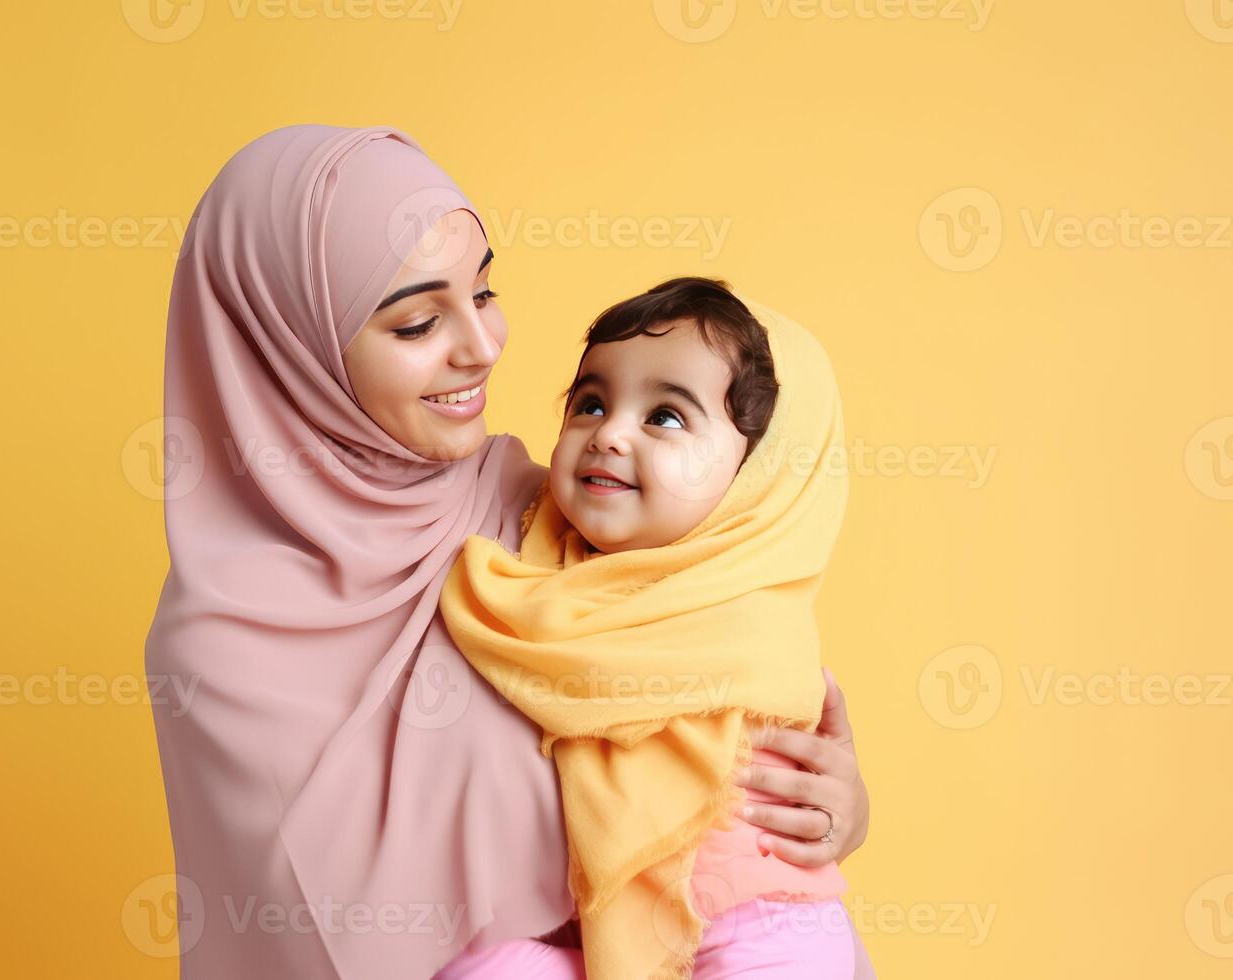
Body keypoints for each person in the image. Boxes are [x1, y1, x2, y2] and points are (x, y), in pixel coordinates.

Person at [144, 124, 872, 980]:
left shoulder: (542, 507)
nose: (485, 346)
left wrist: (821, 806)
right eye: (418, 322)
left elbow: (712, 689)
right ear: (285, 350)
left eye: (484, 293)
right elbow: (316, 925)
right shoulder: (220, 651)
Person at [438, 277, 854, 978]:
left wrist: (851, 807)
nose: (609, 434)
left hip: (761, 920)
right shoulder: (524, 570)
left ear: (758, 474)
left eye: (665, 416)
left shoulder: (749, 604)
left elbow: (809, 768)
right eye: (591, 403)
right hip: (577, 924)